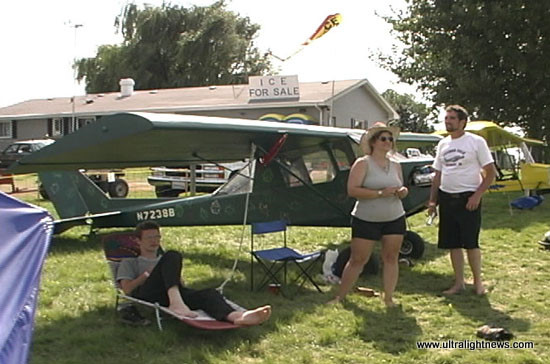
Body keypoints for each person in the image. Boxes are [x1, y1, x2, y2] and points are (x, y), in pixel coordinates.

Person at [116, 220, 272, 326]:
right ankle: (176, 303)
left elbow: (179, 282)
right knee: (173, 255)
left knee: (209, 293)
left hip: (172, 294)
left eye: (157, 236)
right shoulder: (130, 262)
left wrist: (175, 280)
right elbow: (127, 290)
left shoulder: (164, 259)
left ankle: (238, 317)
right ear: (138, 241)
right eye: (149, 237)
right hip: (148, 294)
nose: (154, 241)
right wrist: (145, 276)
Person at [329, 122, 408, 307]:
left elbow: (400, 187)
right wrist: (380, 193)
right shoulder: (363, 163)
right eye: (383, 138)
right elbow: (352, 190)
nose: (388, 142)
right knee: (358, 259)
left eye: (390, 139)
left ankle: (388, 298)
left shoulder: (396, 165)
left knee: (391, 258)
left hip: (394, 217)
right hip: (366, 219)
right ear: (373, 142)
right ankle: (341, 296)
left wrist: (402, 191)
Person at [428, 105, 496, 295]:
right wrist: (433, 201)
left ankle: (478, 283)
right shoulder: (443, 144)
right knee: (453, 244)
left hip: (468, 198)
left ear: (462, 122)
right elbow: (437, 175)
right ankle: (459, 283)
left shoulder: (476, 142)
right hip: (447, 198)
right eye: (446, 118)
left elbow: (491, 173)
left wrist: (477, 195)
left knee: (470, 243)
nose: (447, 121)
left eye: (451, 118)